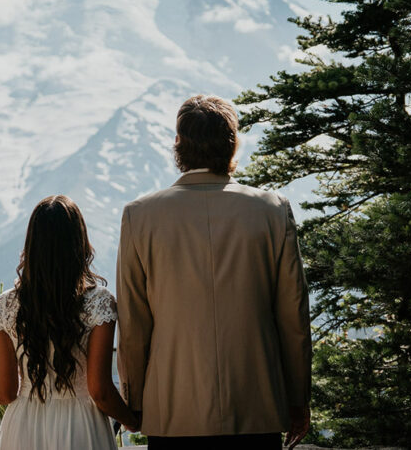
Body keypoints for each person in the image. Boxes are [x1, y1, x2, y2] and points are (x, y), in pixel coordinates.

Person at [116, 95, 312, 450]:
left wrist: (137, 402)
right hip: (258, 406)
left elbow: (133, 326)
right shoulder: (272, 210)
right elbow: (293, 317)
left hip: (172, 411)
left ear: (178, 145)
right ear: (234, 143)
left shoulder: (139, 216)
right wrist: (297, 399)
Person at [0, 195, 141, 449]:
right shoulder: (99, 303)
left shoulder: (6, 306)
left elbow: (6, 392)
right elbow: (99, 391)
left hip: (23, 429)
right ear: (79, 243)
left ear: (32, 245)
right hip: (81, 427)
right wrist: (131, 421)